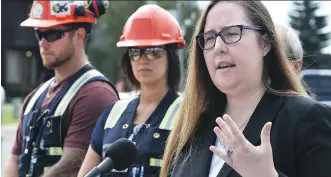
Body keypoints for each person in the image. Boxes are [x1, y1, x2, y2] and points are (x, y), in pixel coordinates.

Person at [160, 1, 331, 177]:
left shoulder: (306, 119)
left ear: (264, 43)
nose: (218, 47)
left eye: (232, 33)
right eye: (210, 38)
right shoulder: (194, 126)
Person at [4, 1, 120, 177]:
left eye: (51, 34)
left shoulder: (96, 95)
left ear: (79, 36)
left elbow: (70, 167)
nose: (43, 43)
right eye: (38, 34)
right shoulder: (35, 97)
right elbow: (14, 159)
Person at [78, 4, 185, 177]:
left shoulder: (187, 116)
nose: (143, 60)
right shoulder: (111, 114)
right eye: (135, 52)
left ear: (171, 56)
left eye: (153, 52)